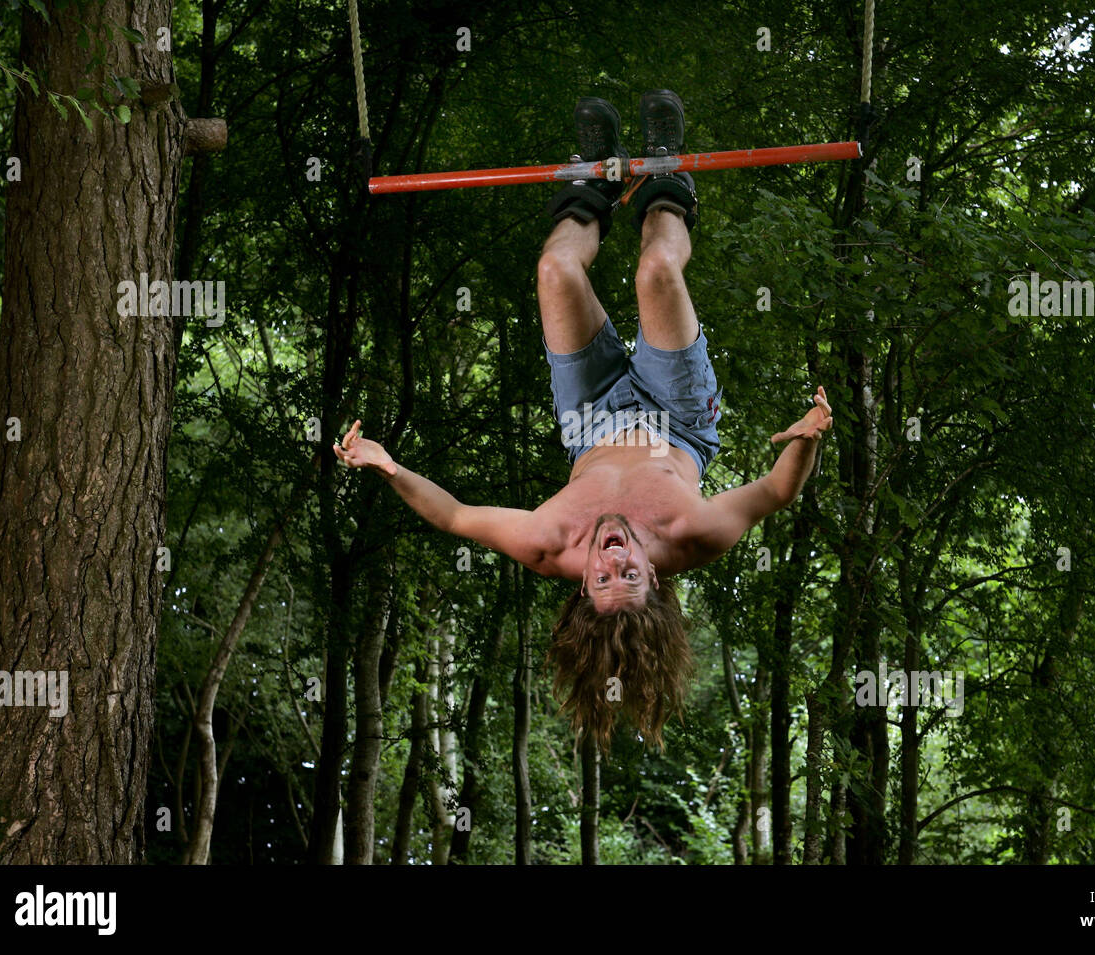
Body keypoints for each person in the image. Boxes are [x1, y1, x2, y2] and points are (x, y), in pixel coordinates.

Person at [334, 90, 832, 749]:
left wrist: (390, 466)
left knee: (554, 270)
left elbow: (454, 515)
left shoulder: (549, 542)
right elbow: (774, 491)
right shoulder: (692, 533)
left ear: (583, 584)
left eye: (602, 577)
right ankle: (665, 176)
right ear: (655, 577)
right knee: (656, 271)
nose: (614, 557)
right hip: (678, 417)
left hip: (589, 418)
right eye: (628, 573)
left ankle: (588, 178)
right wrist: (806, 441)